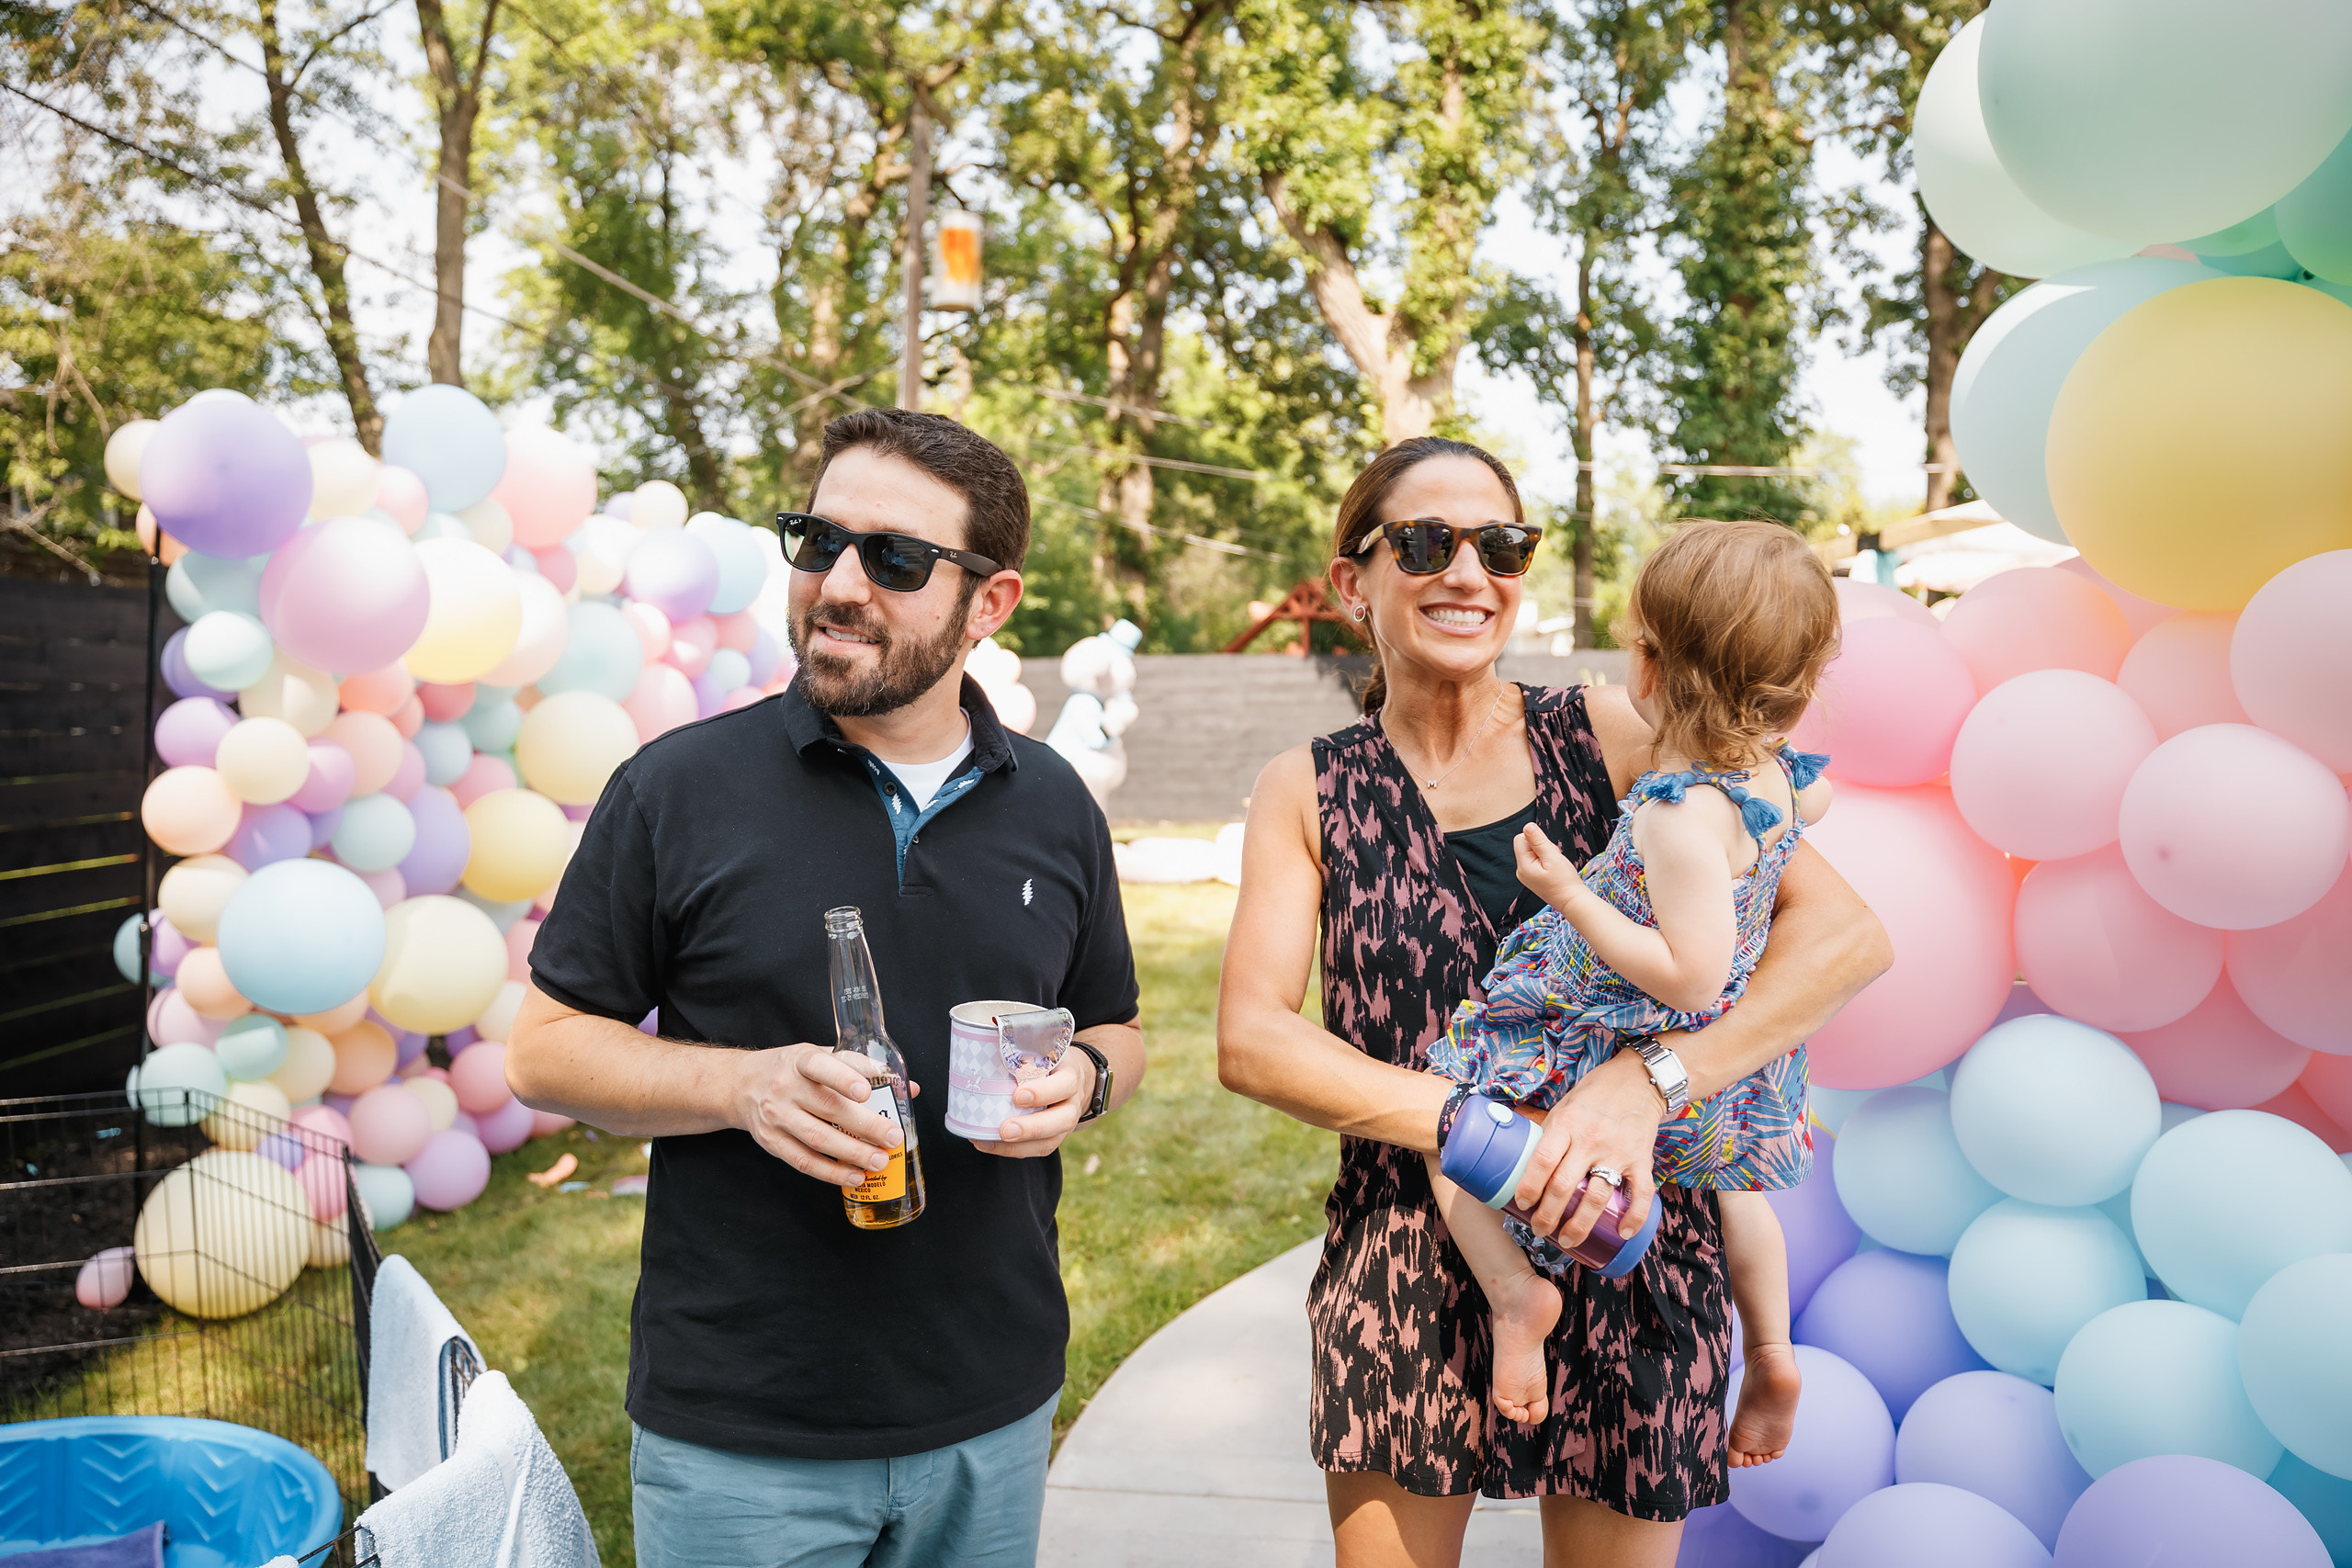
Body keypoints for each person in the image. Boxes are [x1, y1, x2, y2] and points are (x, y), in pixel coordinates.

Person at [1216, 436, 1890, 1567]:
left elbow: (1843, 938)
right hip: (1415, 1242)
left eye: (1501, 544)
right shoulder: (1310, 786)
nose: (1468, 572)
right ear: (1352, 581)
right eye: (1426, 543)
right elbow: (1253, 1040)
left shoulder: (1625, 737)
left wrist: (1647, 1082)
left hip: (1631, 1242)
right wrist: (1482, 1137)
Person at [506, 408, 1147, 1568]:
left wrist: (1090, 1081)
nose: (839, 584)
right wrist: (745, 1086)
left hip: (991, 1406)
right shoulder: (674, 789)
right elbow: (545, 1050)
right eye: (817, 542)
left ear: (988, 603)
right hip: (745, 1427)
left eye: (894, 559)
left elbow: (1117, 1023)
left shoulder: (1055, 803)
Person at [1422, 519, 1838, 1470]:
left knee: (1452, 1139)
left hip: (1626, 1029)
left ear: (1650, 671)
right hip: (1724, 1059)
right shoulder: (1776, 779)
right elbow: (1805, 820)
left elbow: (1686, 970)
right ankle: (1770, 1349)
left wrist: (1569, 892)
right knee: (1735, 1199)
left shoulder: (1676, 815)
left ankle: (1518, 1297)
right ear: (1797, 685)